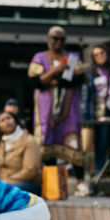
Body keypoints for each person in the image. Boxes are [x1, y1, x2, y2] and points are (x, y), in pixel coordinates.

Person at [28, 25, 85, 171]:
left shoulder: (73, 58)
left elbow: (76, 80)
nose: (58, 41)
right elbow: (36, 82)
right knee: (46, 140)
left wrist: (52, 80)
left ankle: (79, 182)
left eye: (62, 39)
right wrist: (56, 70)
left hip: (68, 109)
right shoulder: (39, 57)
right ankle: (50, 183)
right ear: (48, 39)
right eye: (55, 38)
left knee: (73, 142)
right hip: (45, 109)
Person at [83, 44, 110, 176]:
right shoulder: (90, 71)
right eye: (96, 54)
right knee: (101, 143)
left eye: (102, 53)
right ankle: (100, 174)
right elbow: (86, 94)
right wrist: (86, 116)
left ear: (107, 53)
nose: (100, 56)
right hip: (99, 112)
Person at [0, 110, 42, 193]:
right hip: (2, 184)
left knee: (10, 189)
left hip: (27, 183)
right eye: (2, 120)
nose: (7, 121)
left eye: (9, 118)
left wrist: (8, 181)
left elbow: (30, 170)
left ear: (15, 121)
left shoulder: (29, 141)